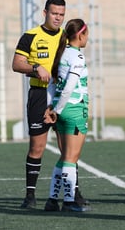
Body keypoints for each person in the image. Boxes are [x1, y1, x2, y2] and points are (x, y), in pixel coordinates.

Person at [12, 0, 87, 208]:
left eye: (62, 14)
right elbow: (17, 64)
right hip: (39, 94)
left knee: (69, 148)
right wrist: (36, 67)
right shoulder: (30, 36)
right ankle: (30, 196)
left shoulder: (67, 37)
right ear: (45, 13)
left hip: (63, 96)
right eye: (54, 13)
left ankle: (73, 193)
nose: (58, 18)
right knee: (38, 147)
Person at [43, 18, 90, 212]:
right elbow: (69, 86)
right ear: (80, 35)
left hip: (60, 109)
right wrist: (58, 109)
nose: (88, 38)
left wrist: (51, 107)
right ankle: (69, 201)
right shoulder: (77, 57)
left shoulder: (61, 53)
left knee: (64, 156)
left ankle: (52, 200)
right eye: (87, 34)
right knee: (72, 157)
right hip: (73, 109)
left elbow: (53, 83)